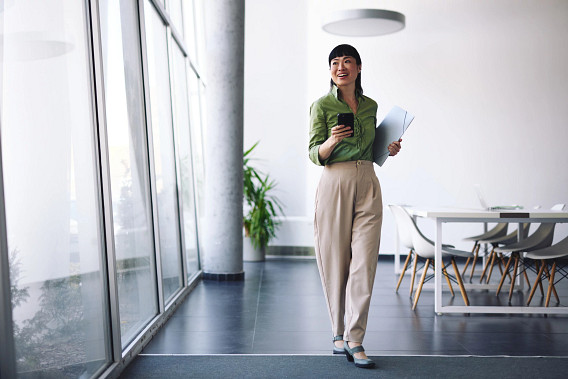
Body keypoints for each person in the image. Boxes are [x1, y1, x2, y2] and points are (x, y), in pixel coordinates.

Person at [308, 44, 402, 369]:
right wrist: (332, 140)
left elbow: (373, 148)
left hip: (368, 180)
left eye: (347, 61)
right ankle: (337, 332)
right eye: (335, 62)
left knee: (365, 261)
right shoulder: (321, 105)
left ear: (358, 67)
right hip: (335, 180)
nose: (341, 66)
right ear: (330, 70)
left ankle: (355, 338)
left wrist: (387, 148)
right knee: (336, 260)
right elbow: (313, 153)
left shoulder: (370, 105)